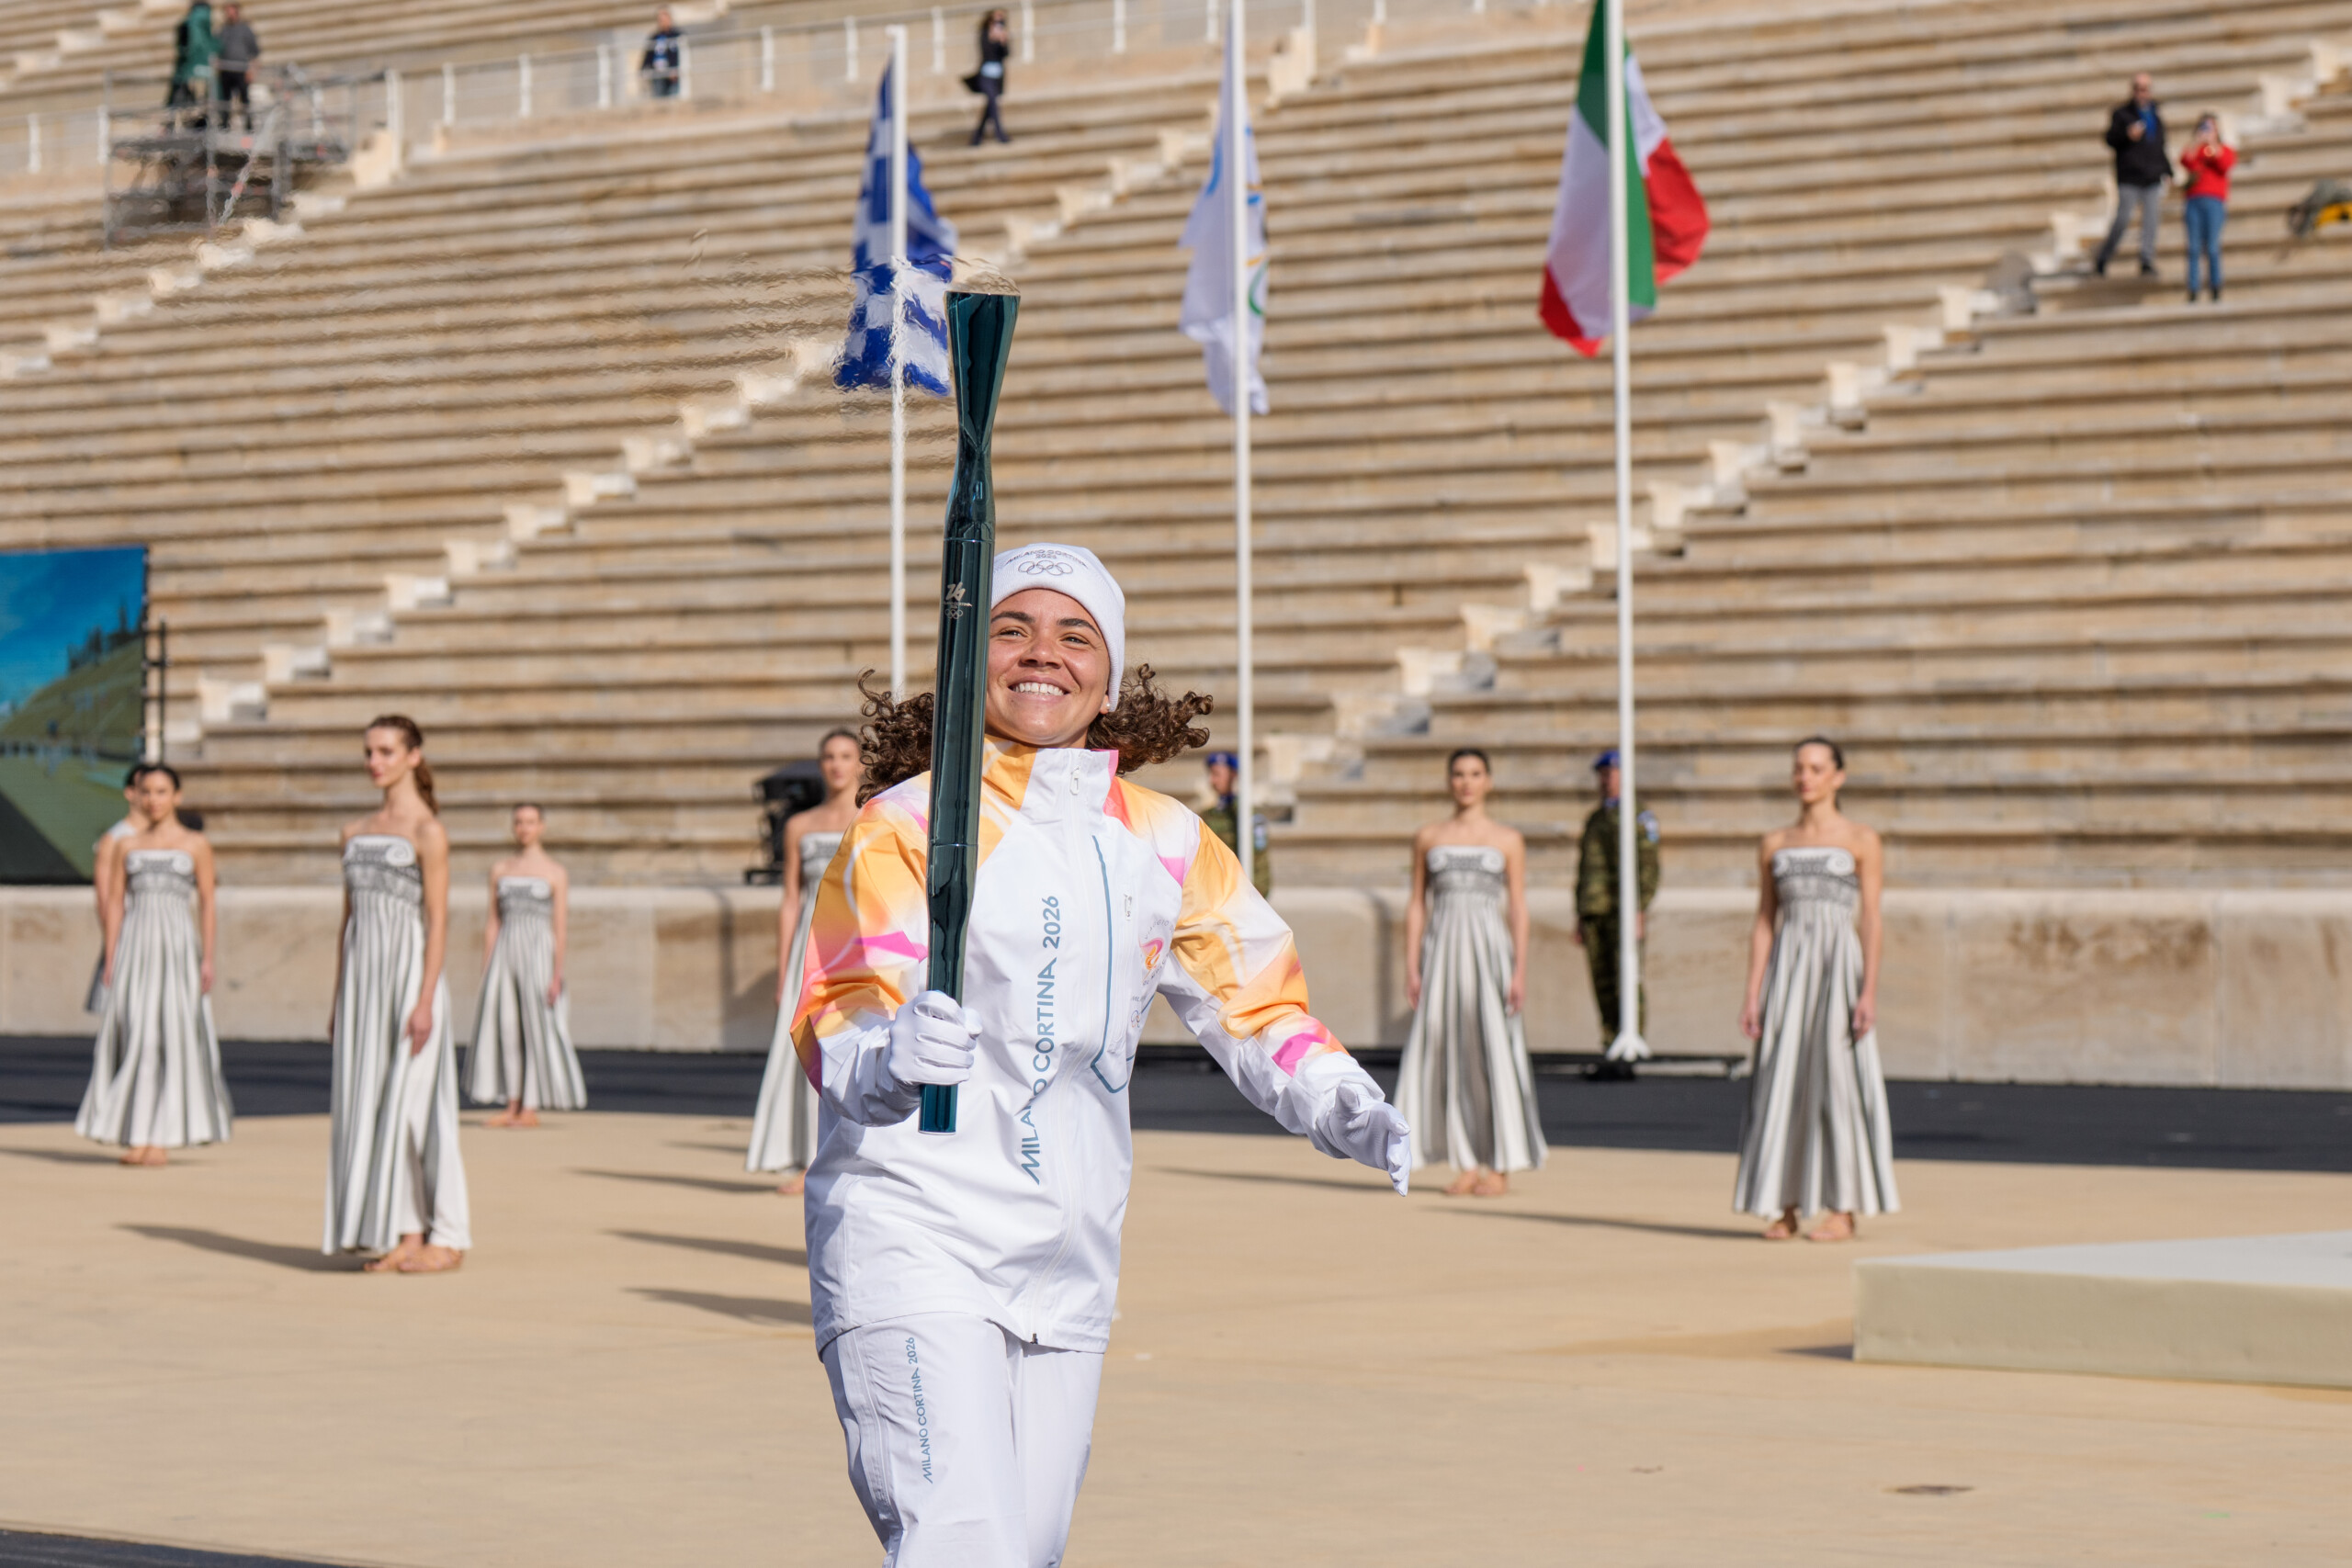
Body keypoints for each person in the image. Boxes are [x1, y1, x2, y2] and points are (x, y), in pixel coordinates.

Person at [794, 542, 1408, 1568]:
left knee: (1026, 1552)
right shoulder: (904, 825)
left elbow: (1255, 1001)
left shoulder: (1166, 841)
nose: (1044, 652)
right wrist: (886, 1059)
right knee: (964, 1547)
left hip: (1067, 1262)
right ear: (969, 663)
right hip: (914, 1234)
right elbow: (840, 1007)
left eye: (1075, 635)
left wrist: (1339, 1095)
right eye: (1012, 629)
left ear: (1111, 677)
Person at [1732, 737, 1898, 1243]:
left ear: (1837, 777)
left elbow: (1871, 918)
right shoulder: (1774, 843)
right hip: (1788, 970)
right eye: (1799, 768)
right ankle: (1783, 1204)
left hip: (1838, 968)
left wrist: (1868, 990)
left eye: (1817, 768)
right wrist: (1753, 992)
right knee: (1781, 1079)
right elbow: (1765, 920)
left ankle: (1842, 1208)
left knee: (1839, 1082)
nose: (1805, 777)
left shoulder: (1861, 839)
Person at [325, 715, 469, 1273]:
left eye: (386, 751)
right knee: (379, 1105)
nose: (374, 762)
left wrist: (426, 998)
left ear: (414, 756)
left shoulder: (428, 832)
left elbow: (438, 922)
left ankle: (449, 1235)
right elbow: (348, 921)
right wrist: (339, 1000)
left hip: (410, 980)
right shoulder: (353, 831)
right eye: (369, 752)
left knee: (420, 1108)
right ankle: (407, 1233)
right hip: (363, 987)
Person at [1394, 747, 1544, 1197]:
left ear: (1488, 781)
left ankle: (1499, 1164)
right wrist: (1412, 965)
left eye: (1476, 774)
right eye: (1459, 774)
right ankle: (1465, 1161)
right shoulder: (1428, 837)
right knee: (1449, 1052)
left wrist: (1520, 969)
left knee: (1495, 1050)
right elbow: (1417, 904)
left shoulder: (1508, 839)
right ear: (1449, 781)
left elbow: (1518, 907)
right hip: (1442, 954)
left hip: (1490, 954)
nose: (1466, 782)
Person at [74, 765, 232, 1167]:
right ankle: (139, 1134)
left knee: (171, 1036)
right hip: (136, 950)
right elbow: (114, 903)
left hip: (178, 950)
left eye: (161, 791)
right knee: (138, 1036)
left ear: (177, 796)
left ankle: (162, 1136)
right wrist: (112, 956)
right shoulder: (126, 845)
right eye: (146, 791)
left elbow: (208, 902)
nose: (153, 800)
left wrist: (207, 957)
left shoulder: (196, 845)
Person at [746, 728, 861, 1193]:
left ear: (860, 762)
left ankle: (848, 1156)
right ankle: (810, 1158)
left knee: (851, 1046)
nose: (837, 764)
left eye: (846, 756)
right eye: (829, 756)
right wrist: (783, 970)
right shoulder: (799, 825)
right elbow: (790, 900)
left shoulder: (874, 817)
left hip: (855, 946)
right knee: (807, 1049)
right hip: (807, 952)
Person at [466, 803, 584, 1128]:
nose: (524, 828)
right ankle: (512, 1102)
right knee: (507, 1027)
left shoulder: (555, 872)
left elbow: (559, 927)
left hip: (538, 953)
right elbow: (492, 922)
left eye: (530, 822)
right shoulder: (500, 869)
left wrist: (557, 973)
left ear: (541, 826)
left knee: (535, 1027)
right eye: (519, 822)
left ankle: (529, 1106)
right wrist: (487, 967)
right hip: (506, 952)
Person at [1573, 748, 1659, 1057]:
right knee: (1603, 981)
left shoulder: (1638, 816)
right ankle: (1610, 1041)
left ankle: (1631, 1039)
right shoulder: (1596, 818)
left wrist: (1639, 908)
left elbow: (1648, 867)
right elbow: (1584, 869)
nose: (1607, 780)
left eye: (1613, 773)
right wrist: (1580, 913)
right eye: (1603, 774)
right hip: (1595, 910)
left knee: (1628, 978)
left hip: (1622, 910)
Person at [86, 763, 151, 1015]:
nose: (151, 798)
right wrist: (115, 946)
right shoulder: (114, 839)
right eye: (144, 790)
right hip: (129, 934)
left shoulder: (171, 837)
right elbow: (105, 899)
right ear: (130, 793)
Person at [2095, 73, 2168, 278]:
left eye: (2145, 88)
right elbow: (2109, 138)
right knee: (2123, 218)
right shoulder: (2122, 114)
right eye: (2138, 88)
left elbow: (2160, 146)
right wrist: (2127, 135)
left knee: (2151, 220)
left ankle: (2146, 260)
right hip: (2130, 176)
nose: (2141, 92)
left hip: (2152, 176)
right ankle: (2104, 256)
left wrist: (2167, 171)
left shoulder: (2155, 115)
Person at [1198, 749, 1271, 897]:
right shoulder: (1207, 815)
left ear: (1233, 776)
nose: (1212, 780)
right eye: (1211, 774)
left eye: (1217, 774)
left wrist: (1256, 894)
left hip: (1242, 894)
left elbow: (1259, 859)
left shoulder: (1248, 815)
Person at [2180, 111, 2233, 302]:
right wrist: (2197, 142)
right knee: (2193, 247)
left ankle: (2215, 286)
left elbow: (2225, 164)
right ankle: (2193, 288)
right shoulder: (2195, 149)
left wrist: (2212, 143)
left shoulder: (2224, 149)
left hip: (2214, 201)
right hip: (2193, 200)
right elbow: (2186, 161)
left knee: (2212, 246)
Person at [965, 8, 1012, 146]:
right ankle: (1001, 135)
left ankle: (976, 138)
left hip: (998, 76)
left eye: (1001, 20)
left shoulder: (1003, 35)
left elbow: (1006, 54)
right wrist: (992, 38)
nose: (999, 23)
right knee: (993, 103)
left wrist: (1003, 41)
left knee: (989, 106)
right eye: (996, 20)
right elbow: (985, 53)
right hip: (985, 75)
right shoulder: (984, 34)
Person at [213, 3, 260, 130]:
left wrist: (252, 70)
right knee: (225, 101)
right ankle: (224, 126)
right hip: (226, 71)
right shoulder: (222, 30)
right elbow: (217, 49)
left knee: (244, 100)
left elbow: (254, 52)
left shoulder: (245, 29)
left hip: (241, 70)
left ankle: (249, 126)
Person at [169, 0, 217, 118]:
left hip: (198, 67)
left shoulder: (197, 22)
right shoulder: (192, 24)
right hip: (194, 68)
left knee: (202, 100)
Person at [640, 7, 681, 99]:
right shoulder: (654, 37)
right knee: (659, 99)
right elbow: (648, 55)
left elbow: (678, 54)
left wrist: (674, 68)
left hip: (671, 73)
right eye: (660, 20)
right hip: (657, 73)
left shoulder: (676, 35)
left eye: (664, 19)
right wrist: (643, 69)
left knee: (673, 98)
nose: (662, 22)